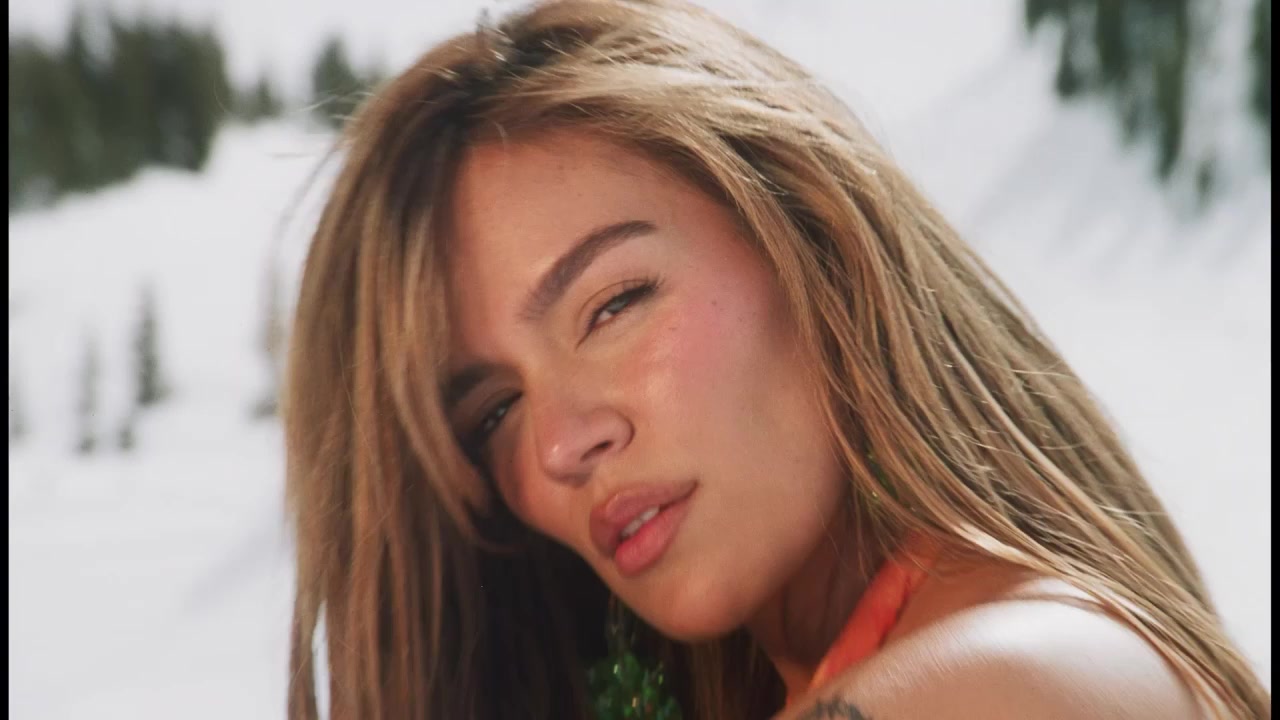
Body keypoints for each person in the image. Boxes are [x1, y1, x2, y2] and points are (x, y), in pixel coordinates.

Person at [282, 1, 1271, 718]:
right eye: (494, 410)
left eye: (614, 304)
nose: (559, 444)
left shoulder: (1014, 678)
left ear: (810, 239)